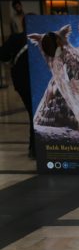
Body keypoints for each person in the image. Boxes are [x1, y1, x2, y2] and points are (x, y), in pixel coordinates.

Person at [0, 13, 34, 157]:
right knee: (36, 113)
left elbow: (2, 55)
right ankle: (36, 148)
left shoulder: (15, 39)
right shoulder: (46, 38)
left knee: (32, 113)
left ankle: (34, 148)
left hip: (22, 83)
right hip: (38, 82)